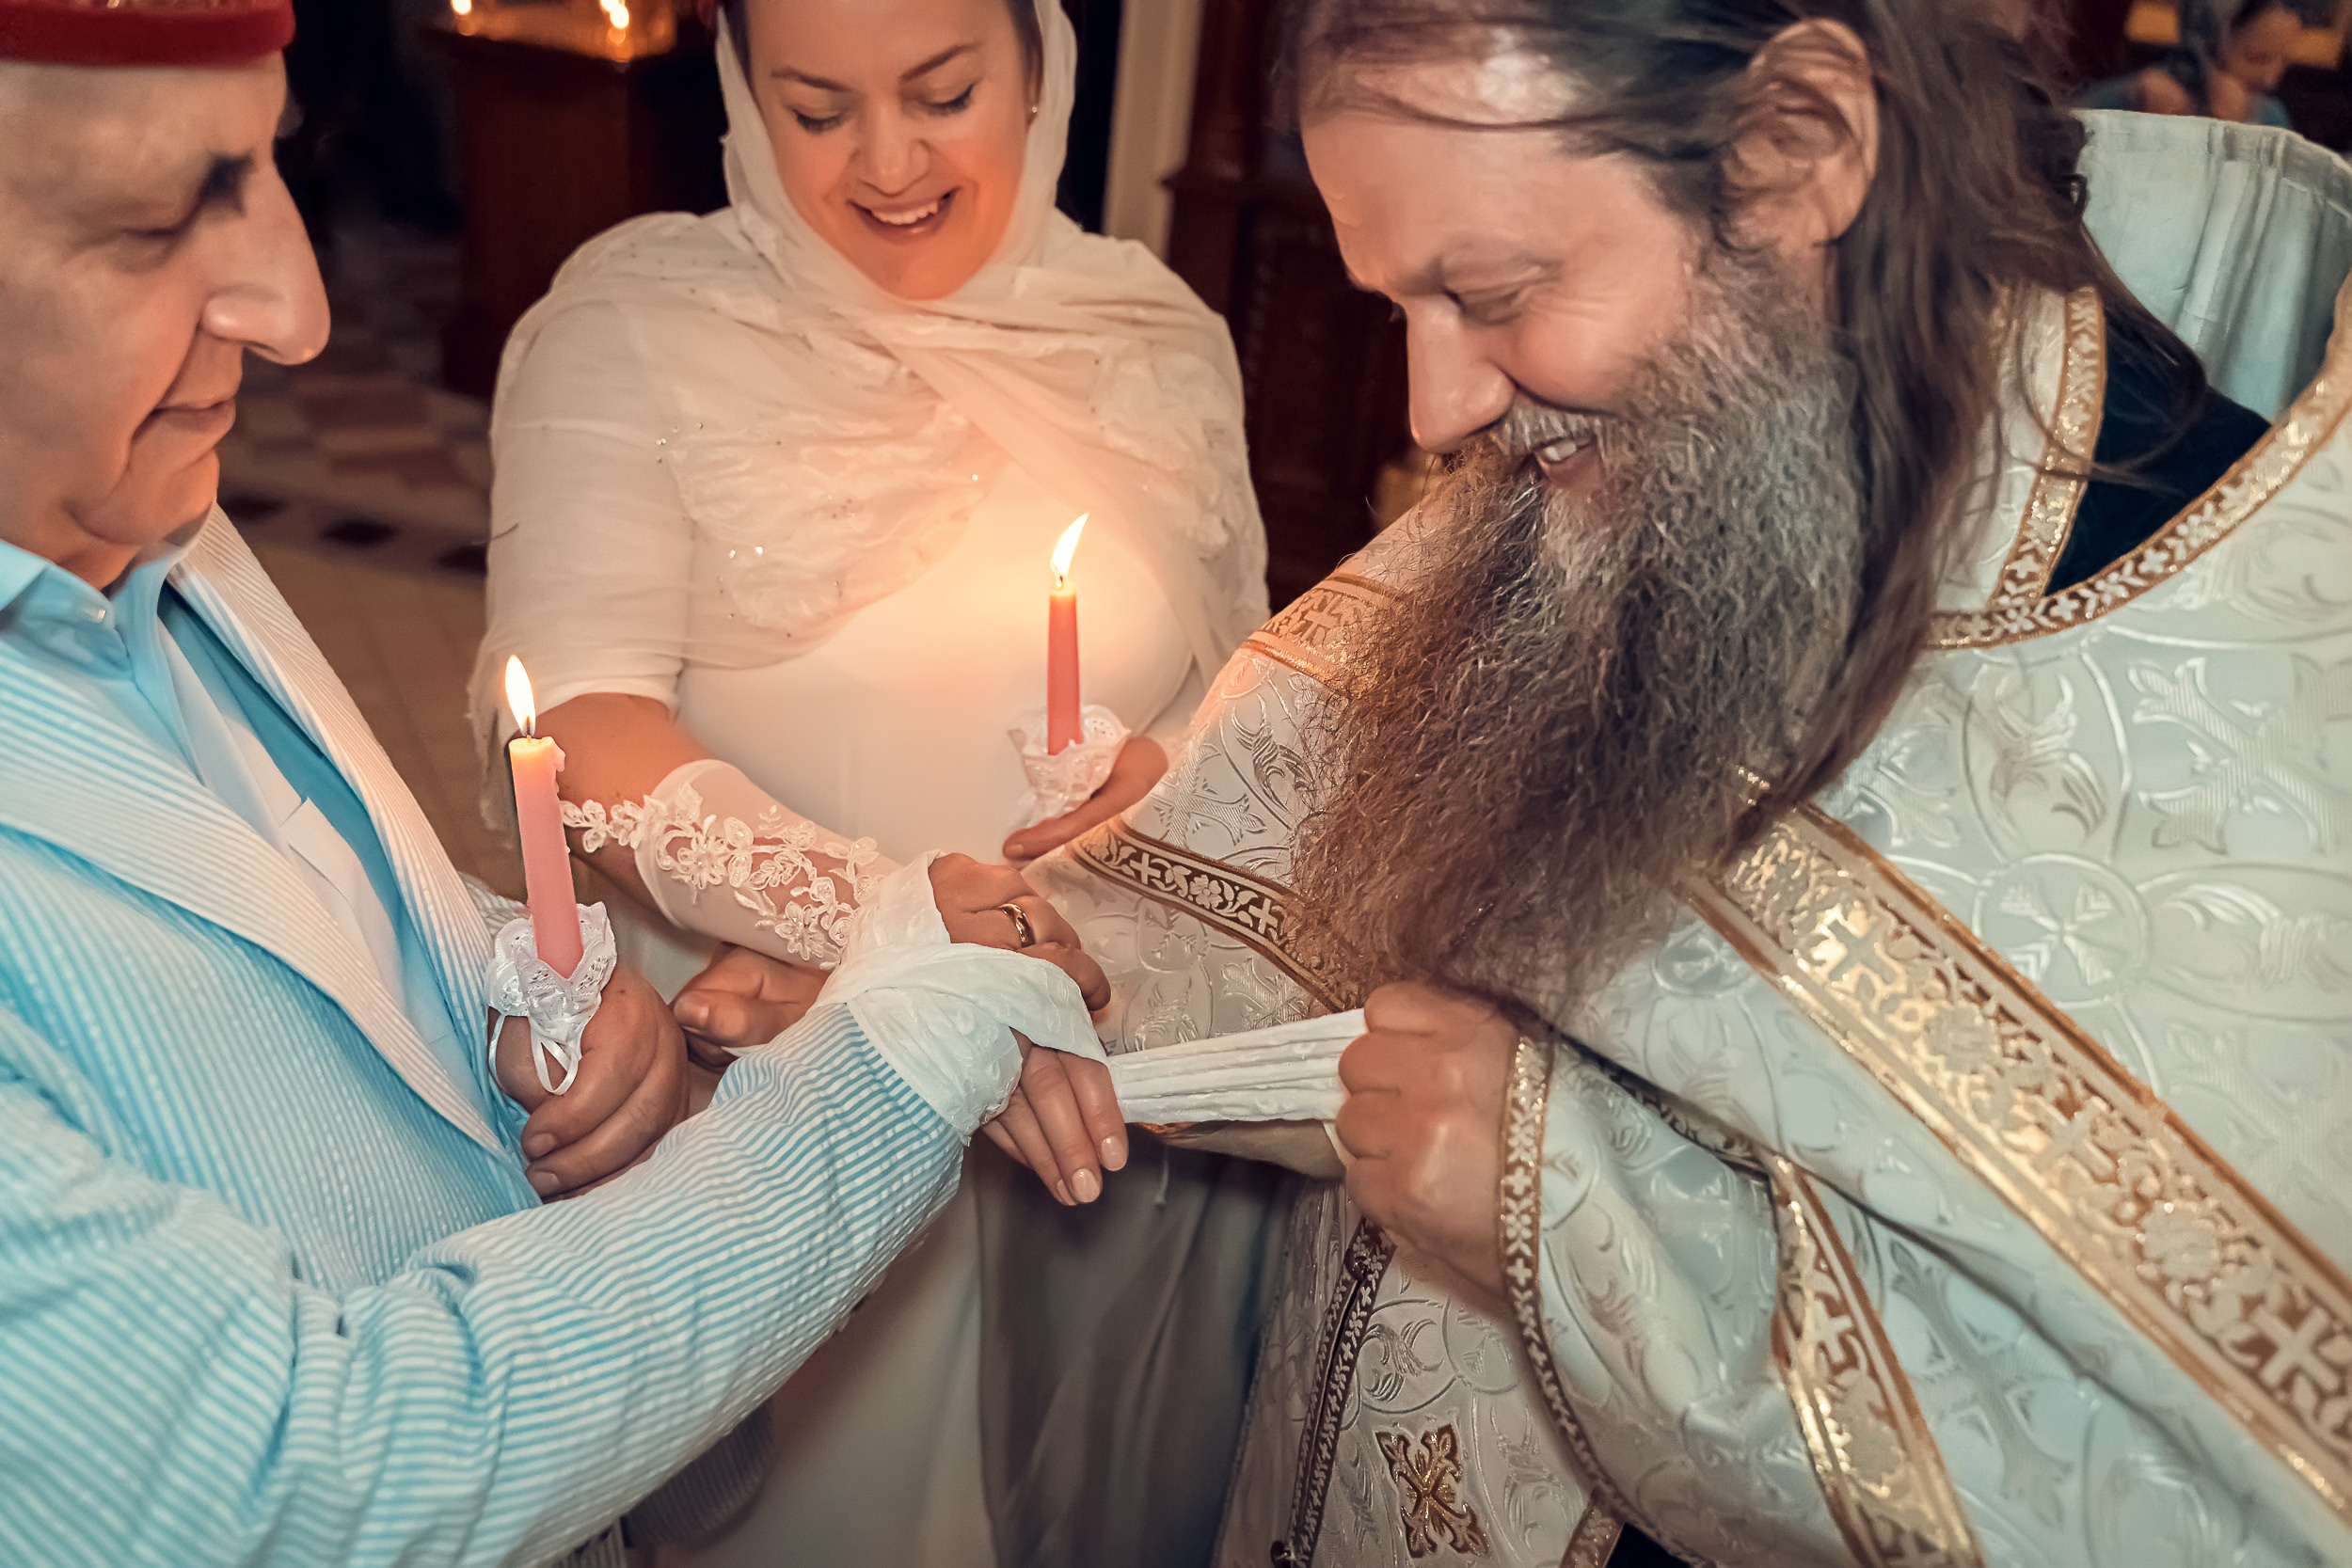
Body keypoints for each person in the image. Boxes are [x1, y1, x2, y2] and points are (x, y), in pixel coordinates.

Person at [1020, 1, 2352, 1563]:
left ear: (1800, 148)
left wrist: (1565, 1222)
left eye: (1490, 290)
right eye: (1399, 305)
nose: (1434, 410)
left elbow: (2183, 1498)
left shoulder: (2241, 700)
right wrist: (1030, 963)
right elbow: (1289, 825)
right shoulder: (1657, 427)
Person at [0, 5, 1111, 1563]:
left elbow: (286, 906)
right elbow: (299, 1482)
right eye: (150, 220)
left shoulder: (133, 501)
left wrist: (503, 994)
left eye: (269, 169)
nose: (301, 309)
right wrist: (897, 1042)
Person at [471, 0, 1273, 1560]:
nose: (890, 162)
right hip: (778, 1087)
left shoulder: (1156, 335)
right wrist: (887, 919)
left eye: (944, 91)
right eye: (818, 107)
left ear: (1041, 66)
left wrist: (1153, 779)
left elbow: (1235, 724)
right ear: (740, 91)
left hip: (1091, 1105)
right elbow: (573, 727)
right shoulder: (627, 326)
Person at [2078, 0, 2313, 128]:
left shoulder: (2268, 118)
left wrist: (2244, 134)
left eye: (2284, 62)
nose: (2271, 79)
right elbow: (2063, 129)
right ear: (2206, 42)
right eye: (2256, 58)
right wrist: (2133, 107)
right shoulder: (2143, 95)